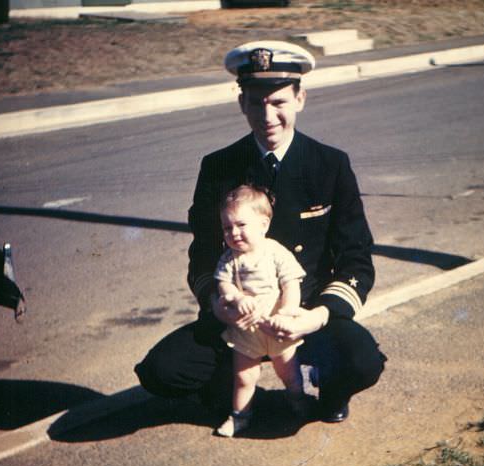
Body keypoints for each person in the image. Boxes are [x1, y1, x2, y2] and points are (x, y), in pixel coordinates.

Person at [134, 40, 386, 427]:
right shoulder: (219, 166)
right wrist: (217, 302)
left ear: (300, 98)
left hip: (303, 310)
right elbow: (202, 252)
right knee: (162, 371)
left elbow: (355, 256)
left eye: (279, 102)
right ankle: (233, 391)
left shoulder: (330, 164)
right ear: (241, 103)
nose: (267, 115)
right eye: (256, 102)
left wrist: (316, 316)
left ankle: (329, 389)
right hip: (240, 317)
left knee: (361, 361)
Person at [214, 184, 308, 437]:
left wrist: (287, 311)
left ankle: (298, 399)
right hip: (246, 331)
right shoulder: (229, 259)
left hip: (277, 327)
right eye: (227, 228)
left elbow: (291, 283)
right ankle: (240, 416)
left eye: (241, 225)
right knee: (244, 378)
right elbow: (223, 284)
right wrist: (234, 296)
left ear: (264, 225)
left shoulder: (275, 252)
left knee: (288, 373)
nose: (234, 233)